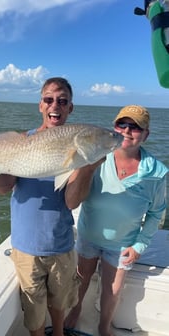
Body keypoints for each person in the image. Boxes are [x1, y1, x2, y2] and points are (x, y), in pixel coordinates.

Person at [0, 77, 101, 336]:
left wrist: (88, 167)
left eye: (62, 101)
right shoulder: (22, 140)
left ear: (70, 108)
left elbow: (71, 201)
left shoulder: (78, 148)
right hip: (26, 248)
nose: (55, 105)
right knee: (34, 311)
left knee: (59, 304)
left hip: (61, 245)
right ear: (40, 105)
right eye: (49, 99)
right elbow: (4, 185)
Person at [64, 105, 168, 336]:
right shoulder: (95, 157)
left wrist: (139, 246)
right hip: (89, 235)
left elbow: (156, 213)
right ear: (114, 128)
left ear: (146, 134)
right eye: (122, 124)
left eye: (136, 127)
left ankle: (104, 325)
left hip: (122, 243)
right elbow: (73, 194)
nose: (127, 131)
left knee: (114, 289)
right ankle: (76, 308)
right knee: (80, 279)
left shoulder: (156, 172)